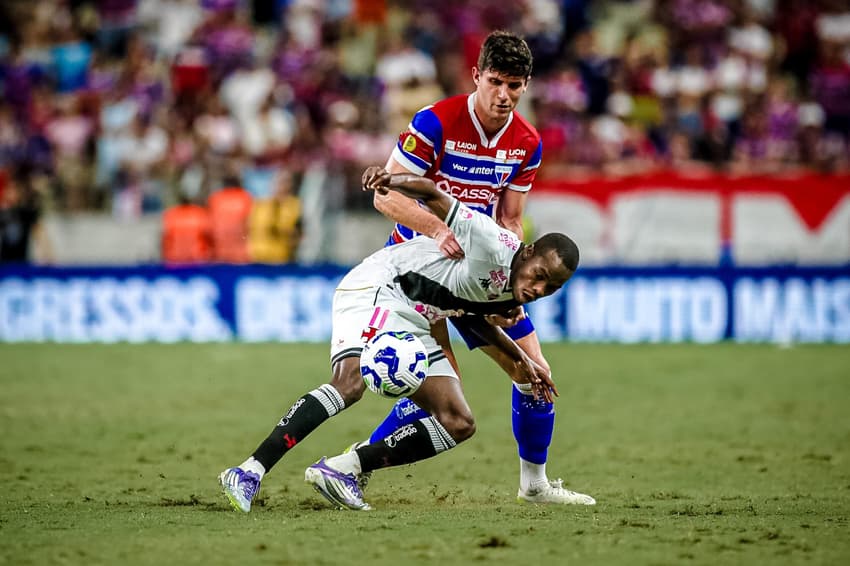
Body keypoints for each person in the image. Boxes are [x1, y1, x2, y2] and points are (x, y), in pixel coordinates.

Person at [219, 165, 580, 512]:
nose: (539, 288)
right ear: (527, 252)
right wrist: (391, 179)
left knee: (457, 421)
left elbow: (471, 313)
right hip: (380, 287)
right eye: (540, 275)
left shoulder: (516, 290)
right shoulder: (490, 240)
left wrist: (521, 359)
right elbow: (433, 193)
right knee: (350, 383)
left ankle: (343, 469)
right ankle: (249, 470)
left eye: (552, 286)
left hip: (419, 315)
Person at [366, 30, 595, 504]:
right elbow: (384, 193)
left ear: (526, 86)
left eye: (515, 85)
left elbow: (510, 219)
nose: (504, 95)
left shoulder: (527, 143)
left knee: (535, 373)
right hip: (421, 273)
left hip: (484, 274)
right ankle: (355, 465)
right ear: (477, 76)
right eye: (496, 82)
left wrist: (508, 292)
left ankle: (534, 485)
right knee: (438, 394)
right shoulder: (435, 122)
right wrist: (437, 231)